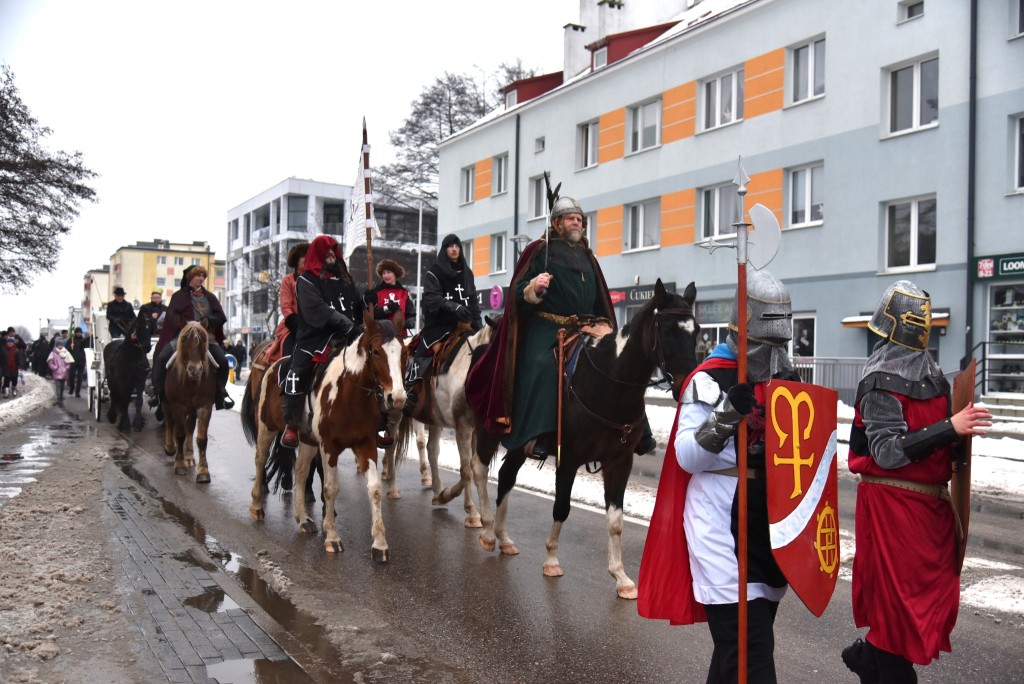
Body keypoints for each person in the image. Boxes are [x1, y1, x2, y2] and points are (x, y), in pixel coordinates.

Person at [638, 268, 800, 683]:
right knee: (750, 651)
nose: (774, 351)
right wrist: (727, 414)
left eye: (779, 342)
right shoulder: (709, 377)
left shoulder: (787, 378)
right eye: (767, 342)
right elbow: (688, 456)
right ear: (743, 332)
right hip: (719, 526)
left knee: (736, 653)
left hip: (770, 529)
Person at [841, 280, 992, 684]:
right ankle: (876, 658)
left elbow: (945, 450)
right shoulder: (879, 379)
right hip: (893, 512)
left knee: (919, 610)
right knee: (898, 617)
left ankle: (870, 656)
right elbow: (888, 452)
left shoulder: (938, 380)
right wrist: (950, 427)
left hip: (929, 515)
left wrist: (959, 435)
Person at [281, 235, 365, 448]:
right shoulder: (307, 280)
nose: (330, 254)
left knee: (373, 365)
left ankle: (377, 420)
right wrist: (346, 324)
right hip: (316, 338)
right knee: (298, 370)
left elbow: (357, 306)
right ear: (317, 253)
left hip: (348, 337)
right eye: (325, 250)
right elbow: (318, 310)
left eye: (333, 250)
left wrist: (367, 304)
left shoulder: (346, 279)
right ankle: (291, 423)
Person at [406, 234, 482, 409]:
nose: (454, 249)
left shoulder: (467, 273)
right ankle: (412, 390)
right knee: (426, 353)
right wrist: (453, 307)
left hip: (465, 326)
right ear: (444, 249)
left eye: (457, 246)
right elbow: (432, 299)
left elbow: (473, 302)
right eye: (450, 246)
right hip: (440, 326)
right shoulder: (434, 272)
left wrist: (479, 326)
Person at [151, 265, 234, 412]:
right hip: (183, 335)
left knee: (222, 361)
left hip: (204, 337)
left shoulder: (210, 297)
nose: (201, 279)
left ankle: (221, 392)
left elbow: (221, 317)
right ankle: (158, 393)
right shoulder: (178, 296)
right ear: (190, 278)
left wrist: (208, 319)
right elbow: (171, 316)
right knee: (162, 357)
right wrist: (186, 324)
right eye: (198, 276)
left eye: (203, 276)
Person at [264, 242, 308, 365]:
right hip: (293, 326)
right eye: (304, 256)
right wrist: (297, 324)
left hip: (315, 324)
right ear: (296, 261)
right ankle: (285, 379)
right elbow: (286, 306)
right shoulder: (288, 280)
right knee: (288, 354)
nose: (307, 259)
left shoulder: (317, 279)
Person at [363, 258, 415, 337]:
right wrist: (387, 309)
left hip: (400, 336)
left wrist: (409, 322)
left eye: (388, 272)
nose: (386, 276)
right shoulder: (376, 293)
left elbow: (411, 314)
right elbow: (371, 315)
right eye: (383, 273)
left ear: (395, 274)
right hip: (381, 336)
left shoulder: (404, 294)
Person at [47, 337, 74, 407]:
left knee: (62, 386)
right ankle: (58, 398)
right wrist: (55, 368)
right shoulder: (53, 353)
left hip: (64, 373)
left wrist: (67, 368)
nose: (60, 346)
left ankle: (61, 397)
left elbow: (69, 362)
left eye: (61, 345)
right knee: (58, 386)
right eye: (59, 345)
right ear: (56, 345)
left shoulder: (66, 353)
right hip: (56, 373)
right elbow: (50, 363)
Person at [68, 329, 88, 398]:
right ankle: (72, 388)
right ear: (75, 333)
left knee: (80, 377)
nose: (79, 333)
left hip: (81, 361)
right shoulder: (71, 340)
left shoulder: (84, 340)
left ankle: (77, 392)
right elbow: (67, 349)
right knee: (71, 375)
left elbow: (87, 350)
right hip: (73, 360)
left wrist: (85, 360)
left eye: (80, 332)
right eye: (77, 332)